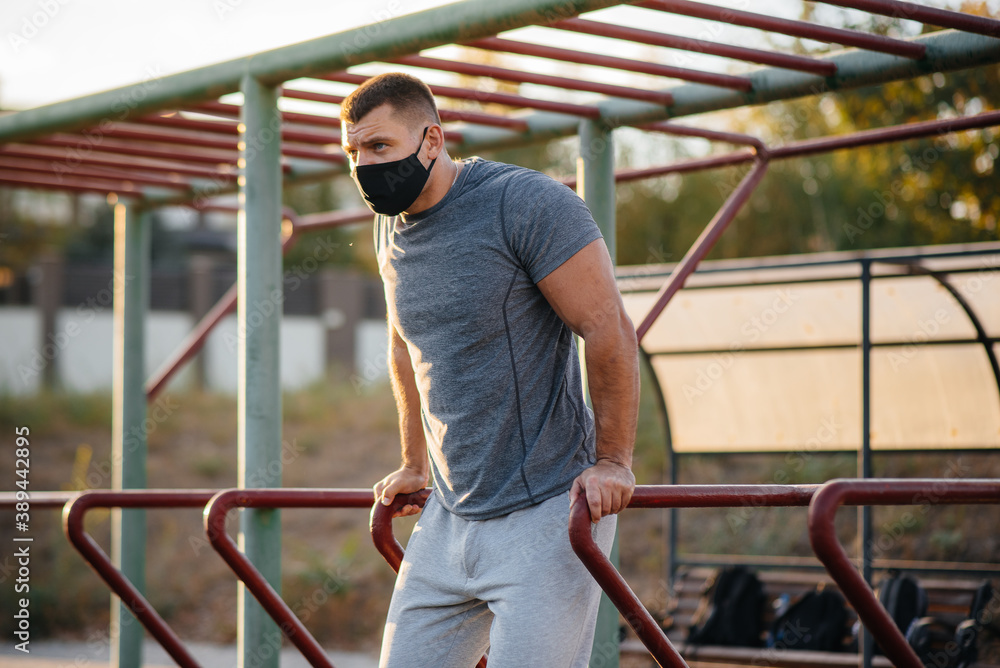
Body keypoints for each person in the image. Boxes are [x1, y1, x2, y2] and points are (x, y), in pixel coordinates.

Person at [340, 72, 640, 668]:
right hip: (449, 518)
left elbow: (607, 327)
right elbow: (405, 344)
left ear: (431, 140)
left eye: (379, 147)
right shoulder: (388, 229)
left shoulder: (524, 203)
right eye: (352, 152)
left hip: (548, 510)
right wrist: (411, 461)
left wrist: (612, 461)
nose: (364, 167)